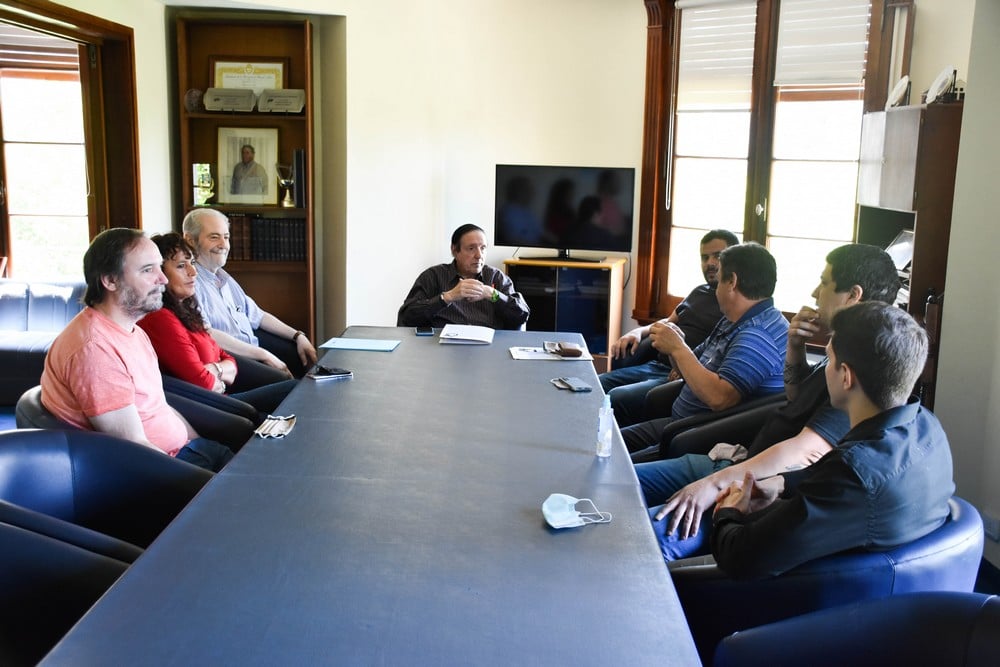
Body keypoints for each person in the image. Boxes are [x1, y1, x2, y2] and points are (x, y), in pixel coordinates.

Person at [638, 244, 900, 561]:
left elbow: (805, 450)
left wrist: (712, 485)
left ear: (852, 295)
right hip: (737, 464)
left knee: (642, 539)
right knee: (621, 480)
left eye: (824, 282)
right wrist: (795, 345)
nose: (815, 292)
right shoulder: (842, 347)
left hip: (750, 487)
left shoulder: (861, 368)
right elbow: (796, 397)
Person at [711, 301, 954, 578]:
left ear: (846, 376)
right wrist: (782, 484)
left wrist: (727, 513)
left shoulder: (852, 472)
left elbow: (739, 557)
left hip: (803, 598)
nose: (825, 370)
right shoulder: (927, 426)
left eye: (828, 358)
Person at [40, 228, 233, 472]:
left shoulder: (132, 329)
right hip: (165, 472)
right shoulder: (95, 350)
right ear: (110, 280)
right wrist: (208, 479)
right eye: (147, 270)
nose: (163, 279)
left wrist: (198, 442)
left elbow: (158, 407)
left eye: (160, 267)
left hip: (187, 451)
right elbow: (134, 449)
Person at [616, 242, 788, 440]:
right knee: (612, 437)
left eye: (720, 278)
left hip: (697, 436)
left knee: (611, 449)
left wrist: (678, 348)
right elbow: (688, 367)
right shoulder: (733, 319)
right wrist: (674, 347)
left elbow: (719, 398)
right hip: (679, 424)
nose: (715, 288)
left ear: (731, 281)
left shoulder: (757, 335)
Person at [138, 232, 297, 421]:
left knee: (295, 390)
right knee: (296, 390)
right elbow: (201, 382)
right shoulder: (161, 318)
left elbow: (227, 357)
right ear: (160, 274)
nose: (193, 272)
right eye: (181, 266)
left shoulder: (185, 307)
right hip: (212, 405)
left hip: (223, 393)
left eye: (192, 263)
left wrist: (217, 371)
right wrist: (220, 372)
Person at [600, 229, 739, 416]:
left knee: (616, 397)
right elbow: (669, 321)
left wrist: (684, 366)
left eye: (717, 256)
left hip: (682, 376)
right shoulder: (699, 292)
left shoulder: (735, 304)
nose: (710, 263)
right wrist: (638, 332)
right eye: (704, 258)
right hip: (657, 365)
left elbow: (721, 351)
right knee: (597, 384)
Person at [183, 208, 318, 378]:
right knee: (282, 380)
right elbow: (206, 335)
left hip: (253, 351)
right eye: (214, 237)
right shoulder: (190, 285)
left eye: (226, 237)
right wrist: (262, 354)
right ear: (190, 241)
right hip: (231, 359)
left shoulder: (225, 279)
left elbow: (258, 316)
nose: (224, 245)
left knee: (299, 357)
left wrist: (298, 336)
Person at [397, 224, 530, 330]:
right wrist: (447, 297)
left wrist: (492, 294)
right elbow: (407, 317)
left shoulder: (495, 277)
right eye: (471, 248)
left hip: (488, 348)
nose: (479, 255)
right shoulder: (433, 276)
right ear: (455, 250)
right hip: (442, 349)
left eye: (483, 248)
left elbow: (522, 315)